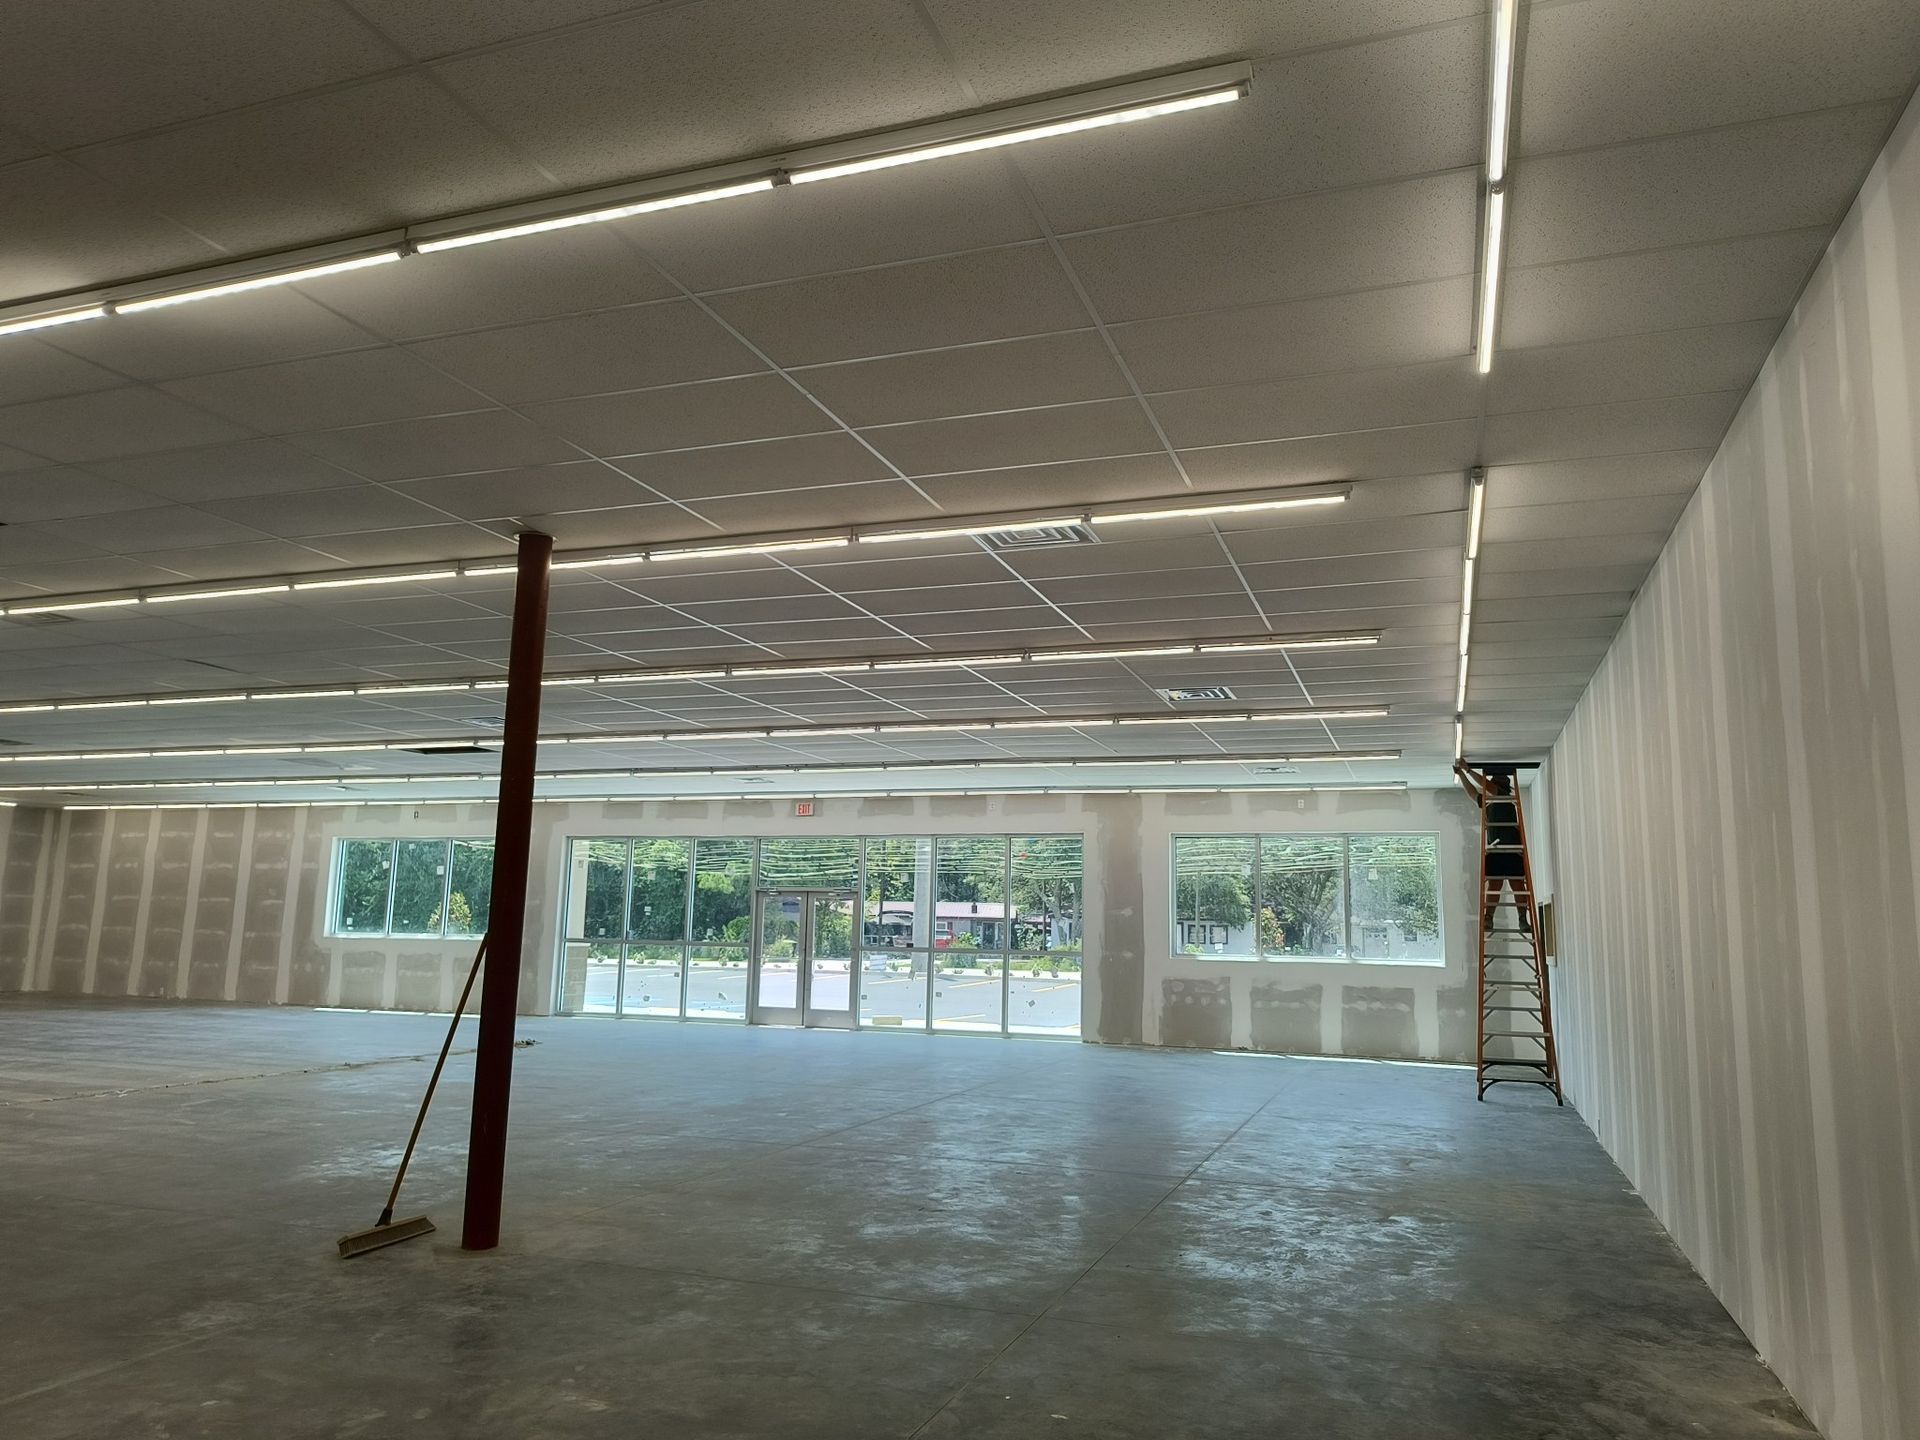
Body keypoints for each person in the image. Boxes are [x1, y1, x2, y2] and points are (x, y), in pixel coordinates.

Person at [1456, 763, 1531, 936]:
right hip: (1496, 849)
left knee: (1517, 885)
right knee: (1495, 885)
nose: (1491, 785)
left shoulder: (1504, 797)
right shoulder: (1490, 803)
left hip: (1512, 850)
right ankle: (1489, 917)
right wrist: (1461, 775)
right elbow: (1473, 793)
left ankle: (1522, 918)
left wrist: (1468, 770)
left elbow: (1486, 786)